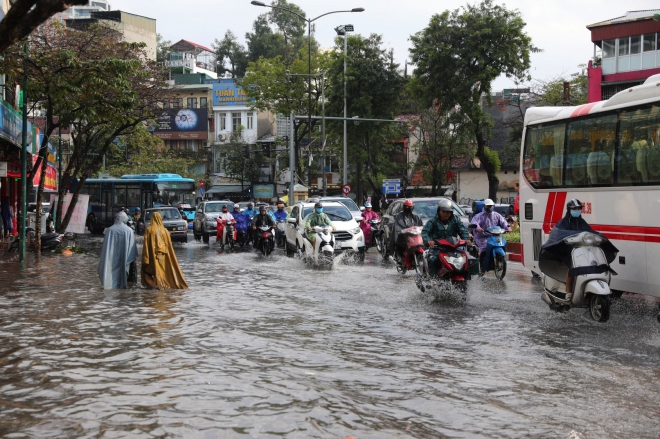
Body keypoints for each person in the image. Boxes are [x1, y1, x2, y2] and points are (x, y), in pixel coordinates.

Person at [540, 199, 617, 300]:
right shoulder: (563, 223)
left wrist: (599, 236)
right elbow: (557, 234)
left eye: (579, 208)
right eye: (574, 209)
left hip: (582, 251)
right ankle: (569, 292)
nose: (577, 210)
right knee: (571, 267)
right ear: (569, 210)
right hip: (566, 252)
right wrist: (571, 237)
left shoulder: (581, 222)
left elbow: (589, 231)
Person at [141, 212, 188, 289]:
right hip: (163, 256)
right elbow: (169, 246)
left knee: (147, 276)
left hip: (152, 257)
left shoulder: (149, 230)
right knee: (161, 273)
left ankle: (157, 289)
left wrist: (145, 258)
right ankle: (161, 289)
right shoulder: (165, 231)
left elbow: (146, 245)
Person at [422, 199, 469, 276]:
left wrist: (466, 239)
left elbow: (462, 230)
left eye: (448, 212)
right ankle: (433, 280)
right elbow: (425, 232)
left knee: (466, 258)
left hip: (453, 248)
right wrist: (428, 241)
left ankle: (466, 277)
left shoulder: (455, 220)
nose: (446, 214)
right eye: (443, 212)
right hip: (437, 248)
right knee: (433, 259)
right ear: (439, 211)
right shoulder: (433, 221)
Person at [97, 211, 138, 289]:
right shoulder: (128, 230)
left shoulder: (109, 230)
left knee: (111, 274)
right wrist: (133, 259)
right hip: (124, 257)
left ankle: (111, 287)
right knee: (123, 274)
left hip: (111, 258)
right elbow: (132, 248)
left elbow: (105, 248)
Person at [470, 198, 511, 274]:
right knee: (484, 248)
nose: (489, 208)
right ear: (484, 206)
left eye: (490, 206)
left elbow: (503, 222)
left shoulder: (497, 215)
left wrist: (507, 227)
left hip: (494, 235)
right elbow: (475, 223)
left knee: (501, 243)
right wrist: (478, 228)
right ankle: (482, 267)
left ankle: (497, 259)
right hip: (482, 237)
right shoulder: (479, 216)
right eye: (487, 206)